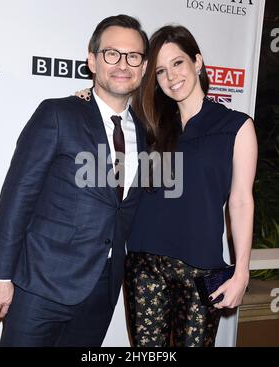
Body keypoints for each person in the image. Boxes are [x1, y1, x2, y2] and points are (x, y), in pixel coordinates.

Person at [77, 25, 257, 347]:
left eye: (177, 63)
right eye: (160, 71)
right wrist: (87, 101)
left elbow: (241, 201)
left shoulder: (236, 126)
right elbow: (108, 119)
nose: (171, 76)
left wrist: (241, 270)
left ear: (197, 62)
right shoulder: (148, 124)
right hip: (144, 262)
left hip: (201, 268)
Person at [0, 14, 148, 347]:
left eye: (133, 57)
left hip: (101, 291)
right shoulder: (58, 114)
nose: (122, 64)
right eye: (111, 54)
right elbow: (18, 198)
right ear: (92, 60)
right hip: (41, 287)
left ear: (143, 67)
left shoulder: (143, 133)